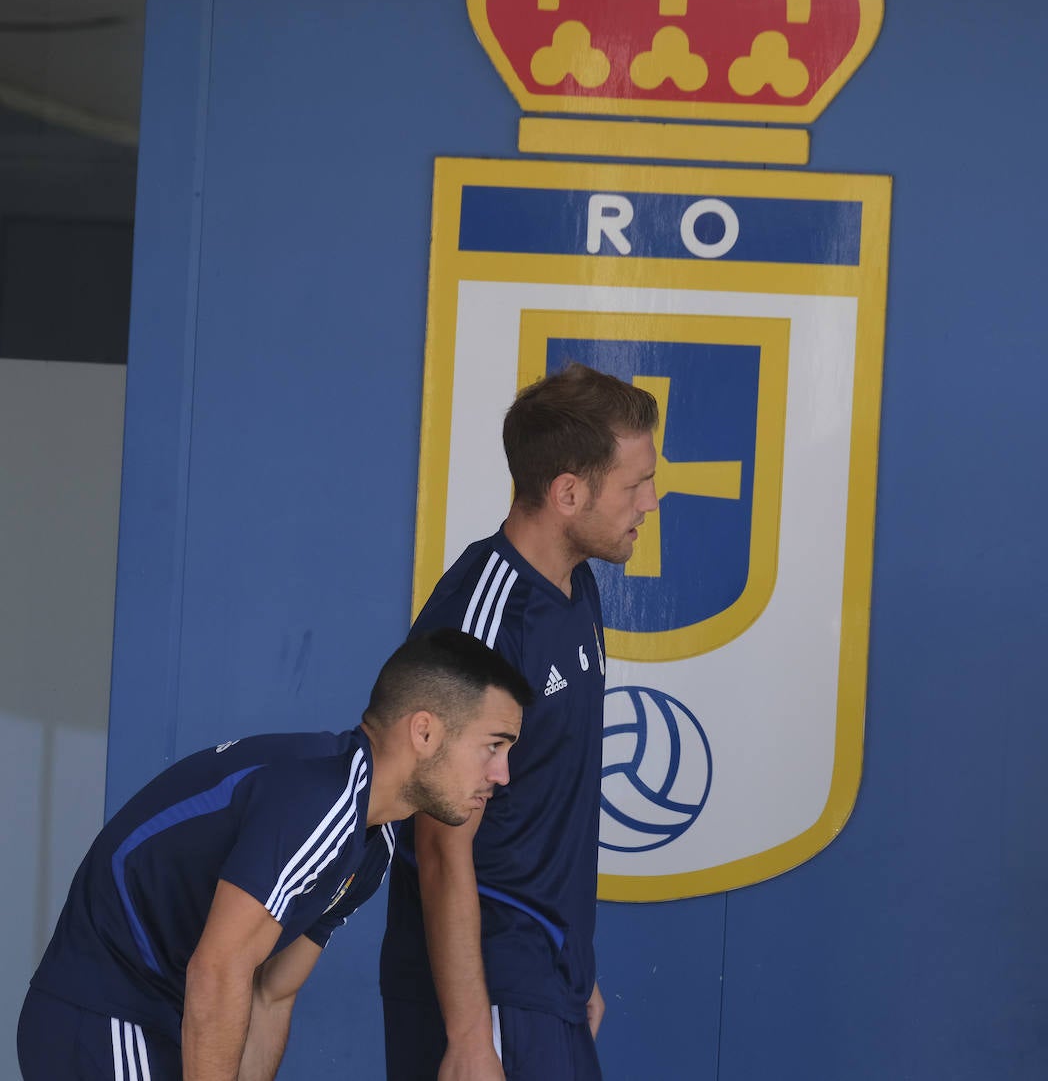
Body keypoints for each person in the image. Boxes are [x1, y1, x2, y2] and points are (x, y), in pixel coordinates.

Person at [17, 629, 531, 1080]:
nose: (502, 775)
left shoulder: (376, 839)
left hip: (166, 1019)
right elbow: (218, 971)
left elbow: (271, 993)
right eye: (493, 746)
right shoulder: (317, 799)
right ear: (424, 732)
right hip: (106, 1010)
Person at [380, 362, 659, 1081]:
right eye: (634, 485)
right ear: (569, 492)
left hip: (546, 973)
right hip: (490, 983)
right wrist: (472, 1039)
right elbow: (439, 844)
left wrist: (576, 970)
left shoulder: (578, 587)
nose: (649, 503)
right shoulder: (483, 619)